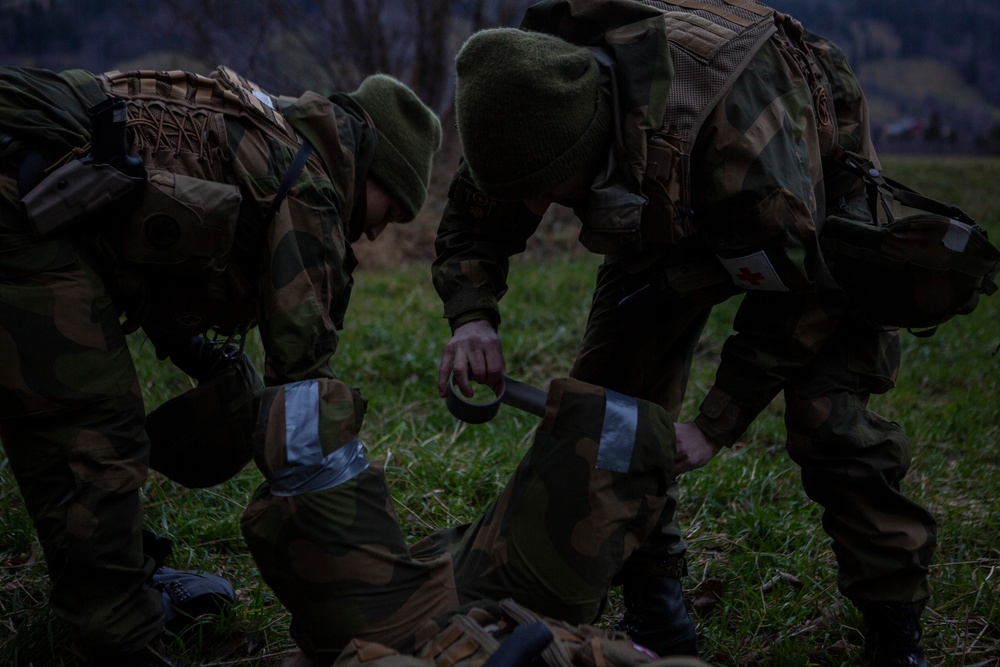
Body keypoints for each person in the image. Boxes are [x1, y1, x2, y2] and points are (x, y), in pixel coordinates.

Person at [431, 1, 937, 665]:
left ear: (590, 144)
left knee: (833, 424)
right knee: (611, 412)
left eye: (547, 190)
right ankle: (656, 596)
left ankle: (895, 628)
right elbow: (482, 212)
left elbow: (802, 299)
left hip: (812, 211)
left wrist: (714, 423)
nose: (532, 210)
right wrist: (472, 317)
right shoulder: (530, 99)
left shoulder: (749, 154)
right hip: (660, 190)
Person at [0, 64, 441, 666]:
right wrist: (365, 579)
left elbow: (152, 239)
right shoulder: (311, 190)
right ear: (370, 167)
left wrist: (199, 352)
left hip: (29, 180)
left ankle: (117, 587)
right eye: (389, 209)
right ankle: (122, 642)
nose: (374, 230)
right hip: (20, 199)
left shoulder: (263, 131)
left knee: (63, 427)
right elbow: (304, 387)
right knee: (95, 436)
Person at [241, 374, 715, 667]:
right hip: (532, 616)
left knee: (307, 422)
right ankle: (661, 614)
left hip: (399, 636)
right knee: (624, 433)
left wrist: (325, 646)